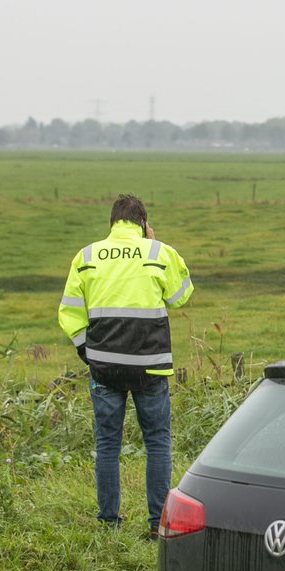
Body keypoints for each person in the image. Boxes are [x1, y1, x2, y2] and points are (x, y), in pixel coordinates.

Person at [58, 194, 195, 533]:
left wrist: (87, 353)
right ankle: (156, 523)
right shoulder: (157, 252)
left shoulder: (87, 256)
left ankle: (108, 522)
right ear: (143, 224)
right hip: (150, 367)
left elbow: (69, 314)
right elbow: (181, 297)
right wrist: (156, 243)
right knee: (158, 442)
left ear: (112, 224)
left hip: (103, 368)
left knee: (107, 444)